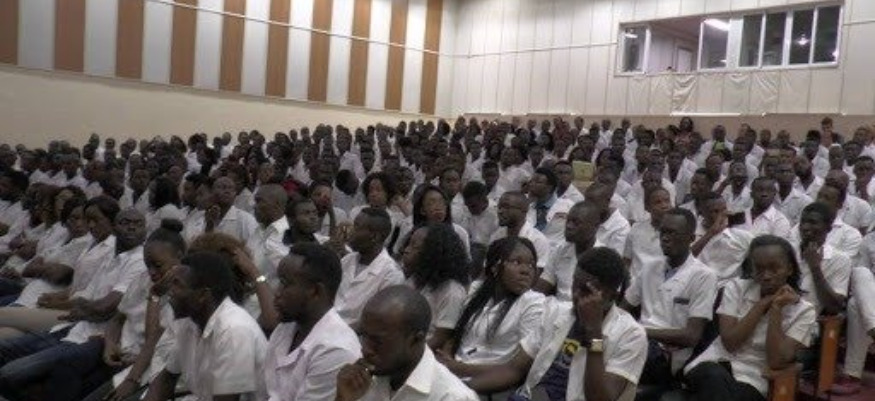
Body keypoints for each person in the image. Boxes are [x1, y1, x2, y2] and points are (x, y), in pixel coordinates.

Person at [0, 208, 148, 401]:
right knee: (5, 345)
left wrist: (78, 308)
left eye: (138, 224)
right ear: (114, 227)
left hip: (91, 336)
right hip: (73, 326)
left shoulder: (138, 261)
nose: (132, 228)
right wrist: (78, 306)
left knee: (10, 372)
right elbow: (88, 296)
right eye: (125, 222)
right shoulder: (111, 256)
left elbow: (106, 307)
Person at [464, 247, 648, 401]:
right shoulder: (556, 311)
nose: (576, 295)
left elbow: (599, 399)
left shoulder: (631, 335)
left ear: (611, 296)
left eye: (586, 290)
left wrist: (594, 333)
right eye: (575, 284)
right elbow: (514, 369)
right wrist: (462, 389)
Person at [682, 236, 817, 401]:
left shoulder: (804, 311)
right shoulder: (735, 288)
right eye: (759, 268)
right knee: (714, 377)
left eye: (774, 268)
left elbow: (775, 361)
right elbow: (730, 343)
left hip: (753, 378)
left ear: (789, 269)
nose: (766, 276)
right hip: (713, 364)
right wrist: (762, 304)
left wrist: (776, 309)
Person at [78, 220, 186, 401]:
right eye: (147, 265)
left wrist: (154, 297)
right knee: (67, 366)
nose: (152, 272)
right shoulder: (142, 279)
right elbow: (117, 318)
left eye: (158, 265)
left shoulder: (181, 295)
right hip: (119, 352)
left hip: (143, 367)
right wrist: (110, 343)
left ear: (180, 257)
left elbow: (153, 340)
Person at [143, 251, 268, 401]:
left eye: (178, 285)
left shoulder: (234, 330)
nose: (170, 292)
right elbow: (166, 380)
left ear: (203, 295)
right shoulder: (189, 321)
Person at [622, 208, 718, 396]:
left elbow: (691, 336)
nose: (665, 238)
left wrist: (640, 331)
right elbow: (623, 309)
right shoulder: (650, 267)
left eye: (673, 233)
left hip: (669, 358)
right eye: (663, 232)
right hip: (639, 345)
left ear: (691, 238)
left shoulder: (704, 276)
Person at [263, 243, 361, 401]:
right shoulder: (289, 325)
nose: (277, 292)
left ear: (315, 292)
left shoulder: (336, 350)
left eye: (285, 284)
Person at [437, 237, 545, 377]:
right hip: (454, 369)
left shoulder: (533, 302)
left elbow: (519, 367)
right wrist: (446, 359)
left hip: (489, 380)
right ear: (495, 267)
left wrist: (459, 369)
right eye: (517, 262)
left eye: (531, 265)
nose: (526, 270)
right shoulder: (476, 289)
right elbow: (455, 335)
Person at [399, 223, 469, 350]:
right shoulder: (413, 280)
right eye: (408, 244)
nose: (406, 250)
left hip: (424, 351)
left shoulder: (451, 291)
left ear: (432, 253)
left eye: (414, 246)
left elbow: (440, 339)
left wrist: (407, 354)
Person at [334, 207, 404, 326]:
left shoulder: (391, 274)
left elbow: (377, 320)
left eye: (356, 227)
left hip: (354, 334)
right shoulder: (347, 260)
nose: (350, 231)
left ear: (375, 237)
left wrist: (342, 332)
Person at [535, 202, 603, 300]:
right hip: (556, 307)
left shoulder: (604, 259)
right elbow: (544, 284)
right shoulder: (560, 249)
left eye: (576, 223)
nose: (569, 226)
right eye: (568, 221)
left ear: (595, 227)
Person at [792, 202, 851, 316]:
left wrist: (815, 267)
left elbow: (834, 307)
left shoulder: (840, 260)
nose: (805, 227)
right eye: (803, 222)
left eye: (813, 223)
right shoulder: (788, 251)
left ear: (828, 228)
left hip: (810, 320)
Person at [691, 193, 754, 287]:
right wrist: (711, 233)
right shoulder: (690, 235)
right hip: (699, 286)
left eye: (724, 209)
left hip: (731, 288)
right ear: (702, 212)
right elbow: (686, 259)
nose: (722, 215)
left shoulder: (740, 236)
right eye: (715, 211)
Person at [488, 191, 552, 271]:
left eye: (506, 207)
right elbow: (488, 268)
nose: (500, 211)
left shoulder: (537, 240)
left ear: (524, 210)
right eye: (499, 207)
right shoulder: (496, 236)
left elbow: (537, 273)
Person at [246, 184, 290, 286]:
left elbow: (275, 278)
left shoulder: (289, 235)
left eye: (259, 201)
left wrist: (256, 281)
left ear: (277, 205)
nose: (254, 206)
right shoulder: (257, 230)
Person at [624, 187, 672, 278]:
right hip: (634, 281)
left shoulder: (676, 233)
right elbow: (626, 260)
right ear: (647, 207)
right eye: (658, 202)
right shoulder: (636, 229)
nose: (664, 206)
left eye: (667, 201)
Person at [526, 167, 574, 247]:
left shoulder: (568, 206)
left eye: (537, 182)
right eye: (531, 181)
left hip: (557, 249)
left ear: (549, 187)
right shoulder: (525, 206)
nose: (531, 184)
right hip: (531, 247)